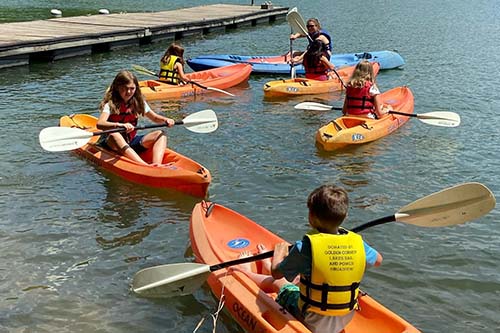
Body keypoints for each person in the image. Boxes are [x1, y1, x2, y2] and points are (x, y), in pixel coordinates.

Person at [233, 184, 383, 333]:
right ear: (345, 216)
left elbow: (276, 274)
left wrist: (279, 253)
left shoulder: (304, 248)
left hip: (311, 320)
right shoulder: (358, 243)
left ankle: (245, 273)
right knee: (300, 279)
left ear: (311, 217)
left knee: (278, 282)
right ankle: (267, 264)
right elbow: (378, 260)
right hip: (345, 316)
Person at [96, 70, 175, 166]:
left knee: (161, 134)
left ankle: (157, 164)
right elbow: (100, 124)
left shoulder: (138, 103)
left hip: (130, 141)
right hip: (110, 144)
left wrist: (166, 120)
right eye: (125, 88)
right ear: (117, 88)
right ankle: (144, 166)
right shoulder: (110, 104)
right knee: (115, 134)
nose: (129, 92)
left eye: (132, 88)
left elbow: (154, 118)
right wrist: (119, 125)